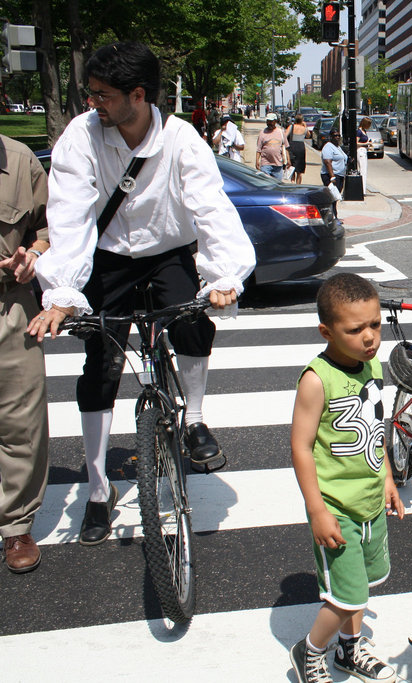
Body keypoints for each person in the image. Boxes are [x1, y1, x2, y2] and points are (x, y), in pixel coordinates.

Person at [28, 41, 256, 547]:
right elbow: (69, 216)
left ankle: (194, 417)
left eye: (103, 95)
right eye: (92, 94)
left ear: (138, 95)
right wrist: (63, 291)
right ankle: (96, 489)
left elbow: (211, 209)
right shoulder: (81, 137)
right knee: (101, 363)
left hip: (167, 250)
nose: (94, 104)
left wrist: (223, 277)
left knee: (194, 319)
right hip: (108, 256)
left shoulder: (181, 139)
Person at [289, 273, 405, 683]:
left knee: (364, 583)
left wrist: (388, 478)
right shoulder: (316, 380)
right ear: (327, 331)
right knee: (346, 595)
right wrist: (317, 510)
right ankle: (310, 651)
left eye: (375, 324)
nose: (370, 336)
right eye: (355, 329)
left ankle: (349, 650)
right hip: (336, 507)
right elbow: (301, 447)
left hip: (371, 499)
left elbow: (377, 427)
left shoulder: (370, 364)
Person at [0, 134, 50, 574]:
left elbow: (52, 227)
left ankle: (15, 524)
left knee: (21, 423)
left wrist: (34, 253)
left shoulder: (19, 161)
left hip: (10, 305)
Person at [257, 112, 289, 179]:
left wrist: (288, 160)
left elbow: (286, 147)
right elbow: (259, 149)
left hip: (278, 165)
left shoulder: (281, 132)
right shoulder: (262, 133)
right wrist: (257, 160)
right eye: (268, 121)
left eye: (271, 121)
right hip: (265, 164)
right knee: (266, 185)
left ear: (275, 121)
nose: (269, 123)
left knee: (277, 186)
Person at [320, 128, 348, 195]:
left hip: (340, 175)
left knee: (336, 195)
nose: (337, 137)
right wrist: (332, 177)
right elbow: (327, 162)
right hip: (331, 175)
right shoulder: (328, 147)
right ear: (331, 137)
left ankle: (334, 206)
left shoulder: (338, 147)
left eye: (338, 135)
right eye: (335, 136)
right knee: (332, 196)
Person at [286, 113, 310, 184]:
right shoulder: (304, 129)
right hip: (301, 148)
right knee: (299, 171)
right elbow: (308, 136)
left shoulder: (291, 127)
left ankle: (292, 182)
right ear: (302, 120)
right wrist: (305, 126)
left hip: (292, 146)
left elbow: (285, 136)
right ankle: (298, 185)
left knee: (292, 167)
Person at [355, 116, 372, 189]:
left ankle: (363, 188)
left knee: (364, 170)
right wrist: (366, 144)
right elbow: (356, 143)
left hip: (364, 150)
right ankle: (362, 189)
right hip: (360, 151)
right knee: (362, 170)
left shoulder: (364, 131)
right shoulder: (359, 132)